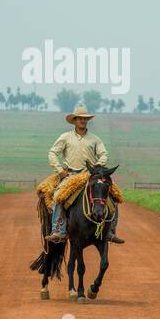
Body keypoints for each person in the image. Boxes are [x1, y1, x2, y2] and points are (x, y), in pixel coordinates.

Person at [44, 104, 124, 245]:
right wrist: (60, 170)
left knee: (114, 196)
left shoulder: (94, 139)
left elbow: (104, 154)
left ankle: (111, 231)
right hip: (71, 176)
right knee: (58, 197)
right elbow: (52, 153)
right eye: (79, 118)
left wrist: (97, 166)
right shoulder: (65, 137)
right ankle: (59, 231)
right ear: (74, 120)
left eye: (85, 119)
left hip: (90, 175)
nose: (82, 121)